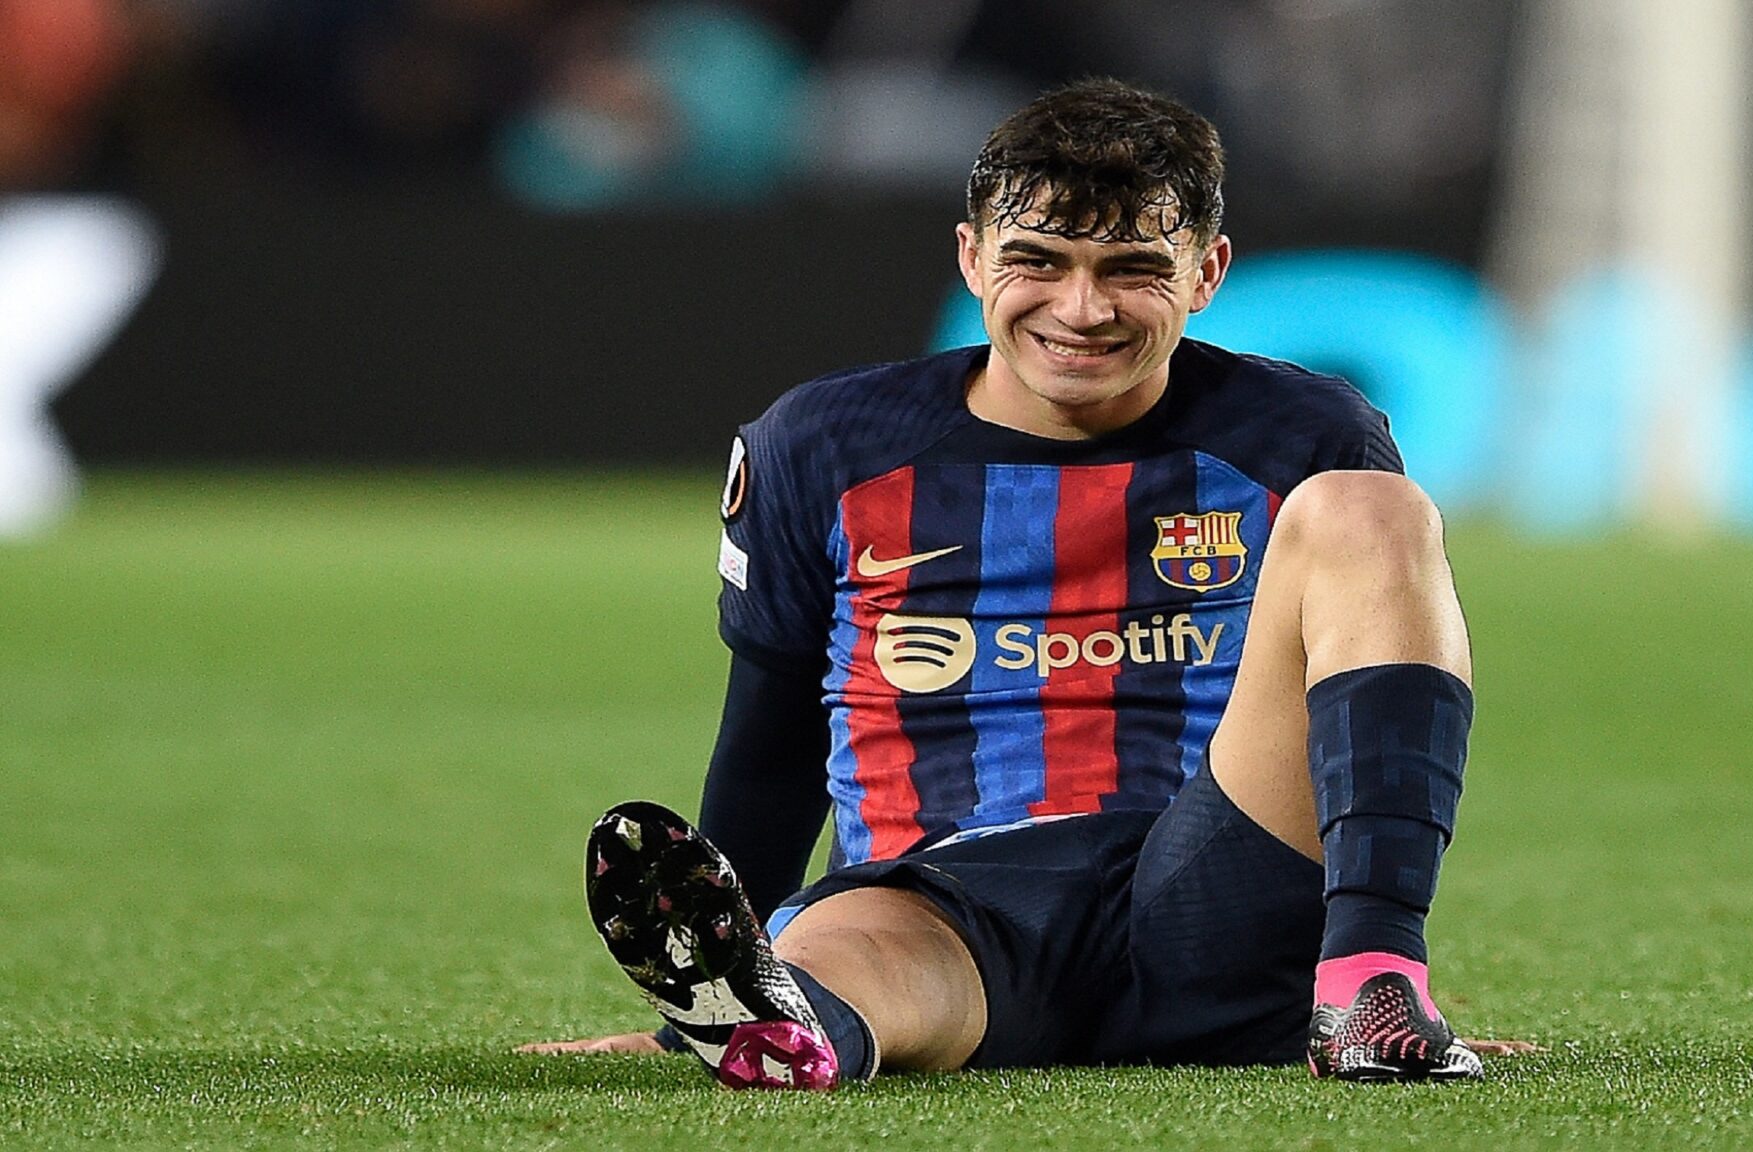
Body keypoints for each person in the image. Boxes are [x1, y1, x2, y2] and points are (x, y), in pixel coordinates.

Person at [523, 78, 1513, 1087]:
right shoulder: (824, 446)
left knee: (1371, 510)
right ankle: (778, 1019)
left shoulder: (1303, 433)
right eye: (1037, 261)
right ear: (970, 258)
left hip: (1219, 890)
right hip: (945, 901)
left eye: (1132, 270)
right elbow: (770, 747)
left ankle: (1373, 986)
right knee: (846, 960)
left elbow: (1368, 716)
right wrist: (687, 1008)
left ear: (1206, 273)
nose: (1080, 310)